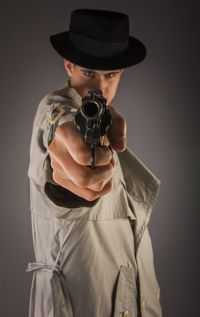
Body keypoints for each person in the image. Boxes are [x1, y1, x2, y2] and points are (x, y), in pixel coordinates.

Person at [26, 8, 162, 317]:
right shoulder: (54, 110)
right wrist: (65, 171)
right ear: (69, 65)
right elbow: (56, 131)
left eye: (111, 75)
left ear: (122, 73)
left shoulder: (106, 124)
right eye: (89, 73)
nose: (99, 88)